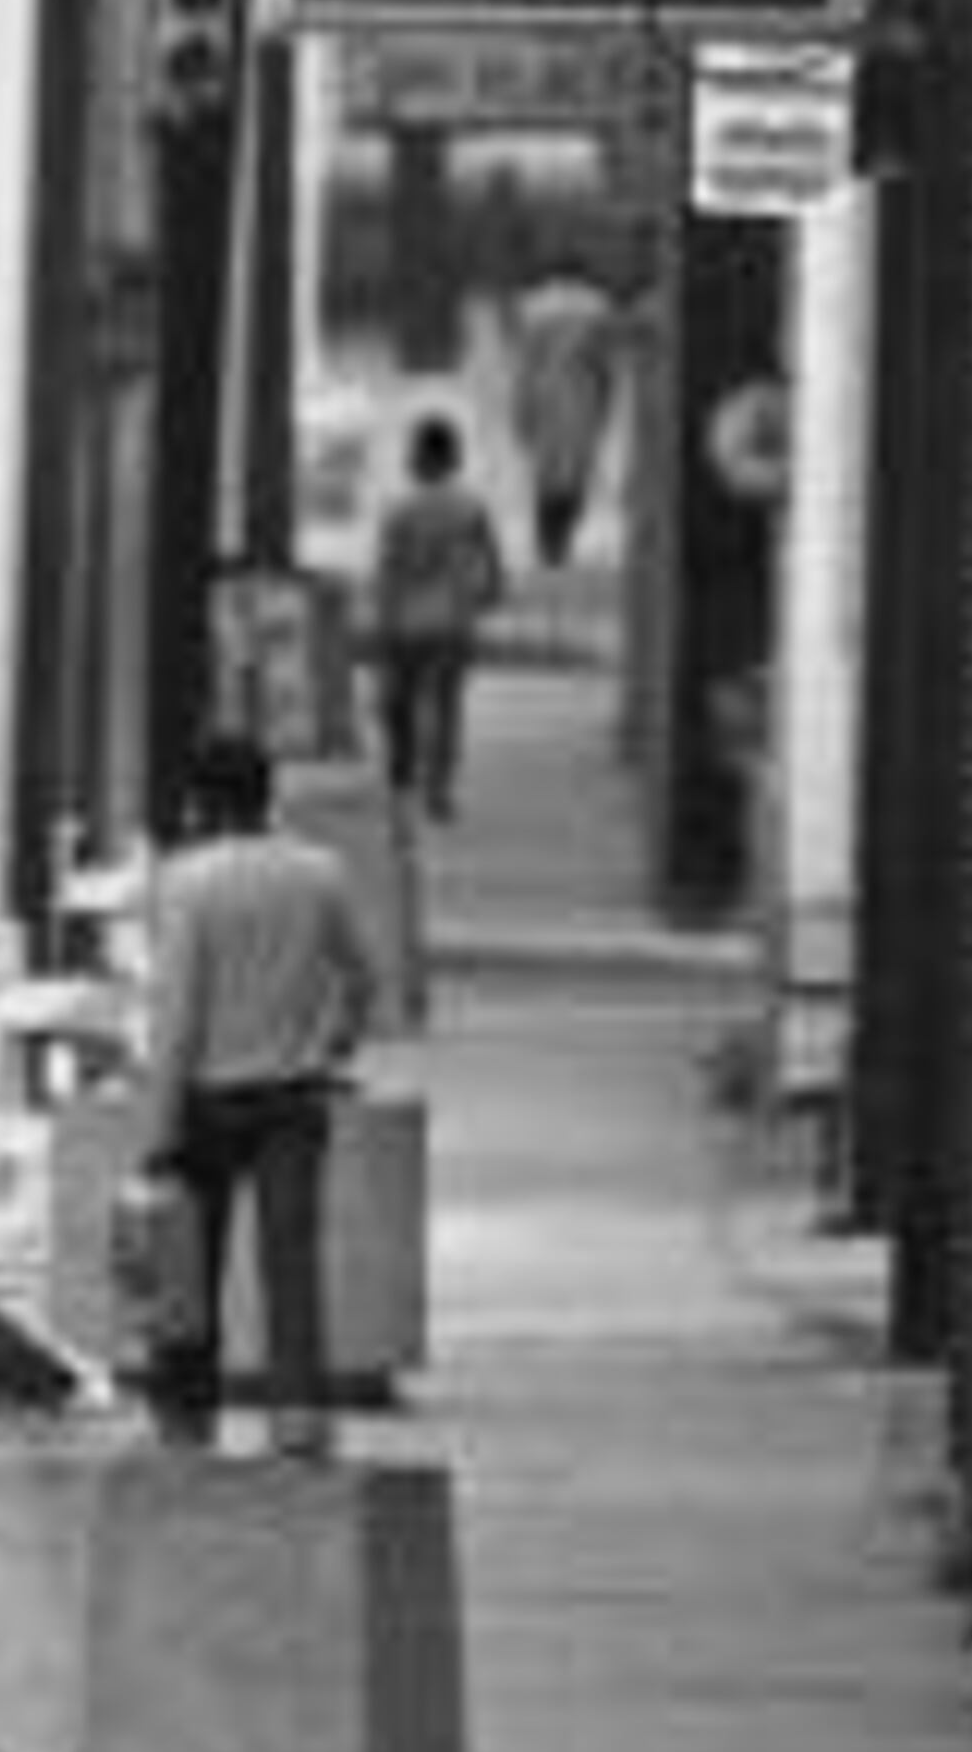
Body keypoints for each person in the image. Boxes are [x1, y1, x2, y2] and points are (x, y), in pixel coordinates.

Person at [135, 729, 378, 1453]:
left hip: (205, 1103)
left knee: (188, 1269)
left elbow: (178, 1015)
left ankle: (187, 1421)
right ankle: (298, 1416)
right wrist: (335, 1042)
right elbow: (363, 977)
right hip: (294, 1102)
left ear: (200, 803)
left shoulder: (186, 881)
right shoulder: (320, 871)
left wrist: (157, 1129)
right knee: (291, 1264)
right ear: (266, 794)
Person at [369, 406, 507, 816]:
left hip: (405, 623)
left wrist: (381, 624)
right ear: (454, 459)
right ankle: (439, 789)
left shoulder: (398, 510)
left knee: (400, 706)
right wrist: (490, 595)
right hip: (454, 623)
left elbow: (387, 572)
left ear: (418, 458)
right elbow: (492, 562)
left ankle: (403, 780)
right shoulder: (471, 507)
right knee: (447, 708)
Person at [505, 266, 624, 574]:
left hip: (547, 396)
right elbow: (605, 369)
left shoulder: (533, 308)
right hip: (581, 396)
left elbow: (525, 366)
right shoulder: (598, 308)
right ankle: (559, 543)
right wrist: (606, 407)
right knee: (574, 473)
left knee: (548, 474)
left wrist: (520, 411)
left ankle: (550, 546)